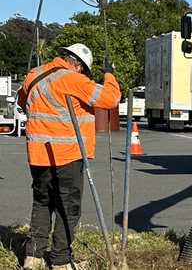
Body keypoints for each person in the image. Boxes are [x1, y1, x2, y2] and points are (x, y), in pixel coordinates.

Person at [18, 43, 121, 270]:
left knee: (42, 203)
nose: (84, 74)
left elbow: (22, 101)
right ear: (78, 64)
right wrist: (110, 75)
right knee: (68, 208)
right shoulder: (73, 79)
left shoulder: (34, 74)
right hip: (68, 155)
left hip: (38, 154)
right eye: (84, 70)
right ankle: (61, 261)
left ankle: (33, 258)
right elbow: (110, 99)